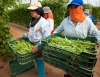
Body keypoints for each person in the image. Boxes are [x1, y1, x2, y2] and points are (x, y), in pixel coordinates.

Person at [54, 0, 100, 77]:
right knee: (68, 71)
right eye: (71, 8)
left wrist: (98, 42)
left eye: (75, 7)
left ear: (81, 8)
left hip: (81, 54)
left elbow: (97, 33)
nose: (73, 9)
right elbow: (56, 31)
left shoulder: (87, 21)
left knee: (79, 72)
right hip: (67, 53)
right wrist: (51, 37)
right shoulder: (66, 21)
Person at [23, 2, 50, 77]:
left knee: (39, 62)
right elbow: (31, 32)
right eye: (30, 10)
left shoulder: (44, 23)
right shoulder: (32, 21)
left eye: (33, 10)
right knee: (35, 60)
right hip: (31, 44)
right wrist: (27, 35)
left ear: (39, 10)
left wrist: (38, 46)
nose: (31, 12)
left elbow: (47, 38)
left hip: (39, 45)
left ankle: (42, 75)